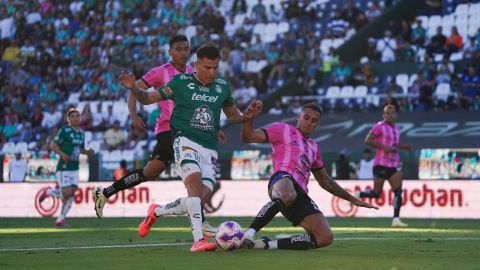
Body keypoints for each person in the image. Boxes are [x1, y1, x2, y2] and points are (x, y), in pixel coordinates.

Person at [119, 45, 262, 252]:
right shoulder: (180, 82)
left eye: (215, 68)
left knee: (198, 200)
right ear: (196, 65)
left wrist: (247, 116)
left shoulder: (222, 86)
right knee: (193, 187)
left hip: (210, 148)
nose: (212, 72)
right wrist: (134, 88)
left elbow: (233, 116)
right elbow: (148, 98)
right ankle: (198, 240)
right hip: (185, 141)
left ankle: (157, 211)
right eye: (207, 68)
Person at [240, 103, 377, 250]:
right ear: (298, 117)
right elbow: (248, 137)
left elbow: (325, 181)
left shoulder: (314, 148)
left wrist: (352, 199)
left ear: (318, 124)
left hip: (300, 194)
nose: (309, 122)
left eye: (314, 120)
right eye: (306, 117)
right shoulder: (283, 129)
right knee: (288, 193)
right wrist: (248, 120)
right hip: (282, 179)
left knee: (324, 237)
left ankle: (268, 244)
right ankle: (248, 235)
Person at [356, 105, 412, 227]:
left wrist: (404, 147)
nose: (390, 115)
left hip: (394, 164)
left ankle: (396, 219)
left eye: (392, 112)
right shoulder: (379, 126)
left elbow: (394, 145)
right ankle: (359, 195)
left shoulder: (397, 128)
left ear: (396, 114)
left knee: (398, 191)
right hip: (380, 164)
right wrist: (383, 147)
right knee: (376, 194)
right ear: (384, 115)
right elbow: (368, 140)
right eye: (387, 113)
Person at [38, 108, 94, 227]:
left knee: (71, 194)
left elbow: (80, 149)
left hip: (75, 167)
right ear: (68, 119)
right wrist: (63, 154)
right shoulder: (64, 130)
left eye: (77, 116)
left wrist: (88, 152)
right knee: (67, 193)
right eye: (72, 116)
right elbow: (52, 145)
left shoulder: (81, 133)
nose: (75, 118)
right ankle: (48, 192)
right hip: (64, 167)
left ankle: (60, 220)